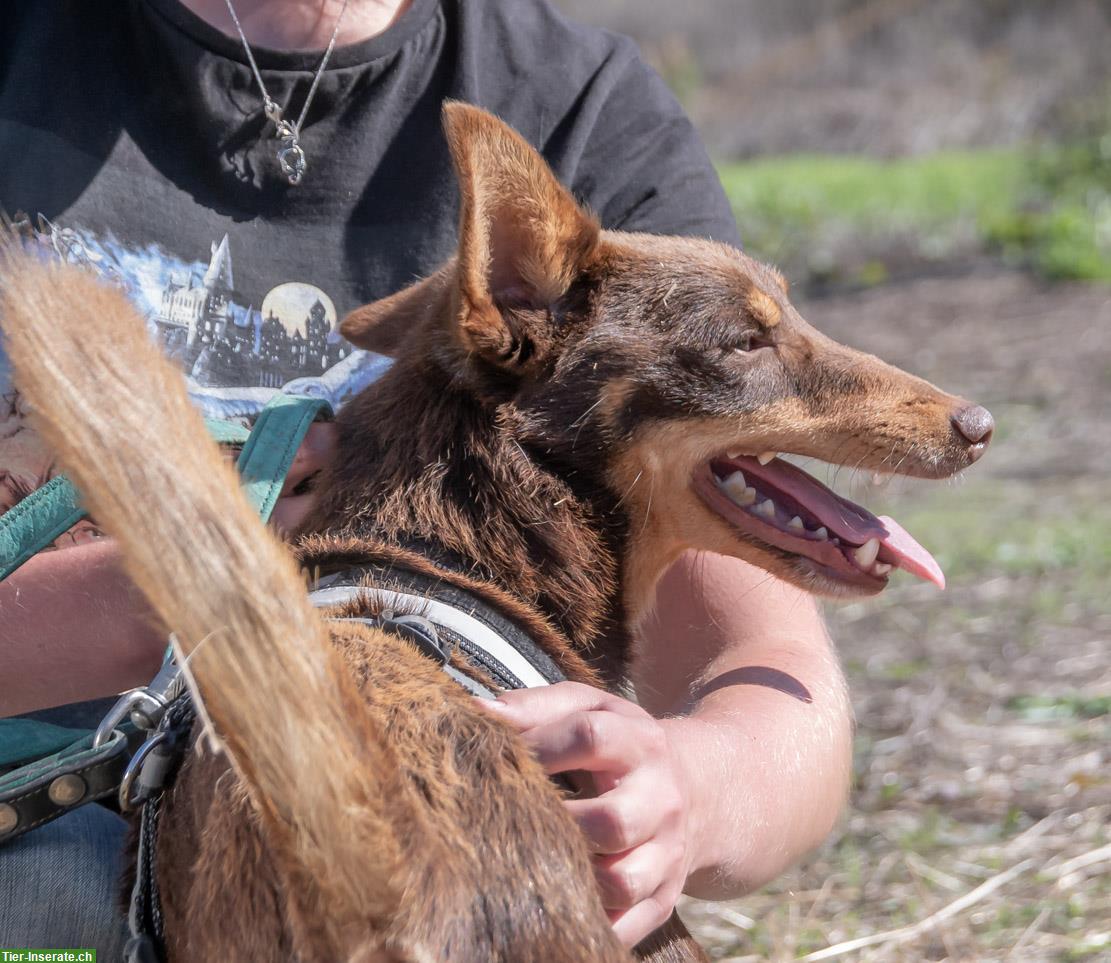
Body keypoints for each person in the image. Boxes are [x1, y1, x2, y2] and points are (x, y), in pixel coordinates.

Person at [0, 0, 852, 954]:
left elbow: (769, 670)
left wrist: (689, 790)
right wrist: (182, 585)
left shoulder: (577, 108)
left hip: (478, 845)